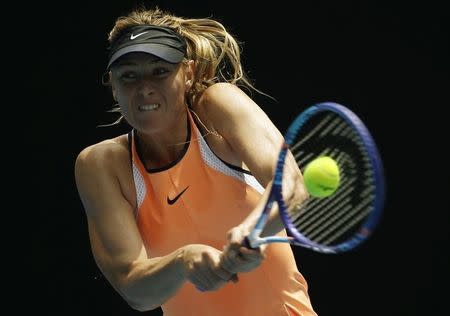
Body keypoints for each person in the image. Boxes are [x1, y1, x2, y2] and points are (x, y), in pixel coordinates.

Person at [74, 5, 317, 316]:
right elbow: (135, 289)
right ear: (113, 86)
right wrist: (183, 261)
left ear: (187, 74)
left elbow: (292, 185)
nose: (144, 87)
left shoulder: (218, 107)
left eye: (160, 71)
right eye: (129, 75)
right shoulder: (101, 165)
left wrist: (252, 230)